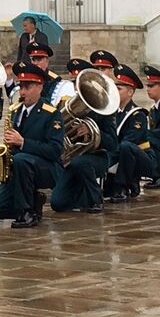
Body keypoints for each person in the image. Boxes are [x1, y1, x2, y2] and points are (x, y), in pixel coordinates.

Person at [0, 62, 64, 228]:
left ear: (40, 87)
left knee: (22, 159)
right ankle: (34, 202)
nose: (22, 92)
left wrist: (23, 143)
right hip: (20, 168)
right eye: (21, 86)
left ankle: (26, 212)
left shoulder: (51, 114)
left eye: (27, 87)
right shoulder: (16, 110)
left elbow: (55, 150)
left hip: (47, 169)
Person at [50, 59, 118, 214]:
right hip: (72, 161)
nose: (75, 87)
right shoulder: (65, 105)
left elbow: (113, 143)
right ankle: (82, 194)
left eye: (78, 83)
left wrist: (91, 131)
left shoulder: (103, 109)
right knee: (57, 204)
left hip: (97, 158)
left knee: (80, 162)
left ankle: (95, 199)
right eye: (74, 83)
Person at [108, 64, 154, 202]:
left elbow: (129, 141)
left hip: (143, 160)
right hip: (121, 158)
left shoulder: (137, 115)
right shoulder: (112, 112)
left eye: (119, 88)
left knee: (126, 146)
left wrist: (107, 157)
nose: (115, 91)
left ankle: (123, 186)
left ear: (130, 92)